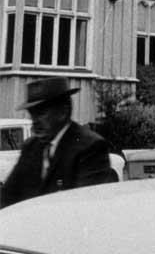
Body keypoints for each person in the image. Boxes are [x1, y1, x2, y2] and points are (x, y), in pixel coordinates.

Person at [1, 77, 114, 208]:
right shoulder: (30, 147)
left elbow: (85, 207)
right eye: (32, 114)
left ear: (63, 111)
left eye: (41, 112)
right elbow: (7, 195)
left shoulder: (91, 148)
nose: (35, 120)